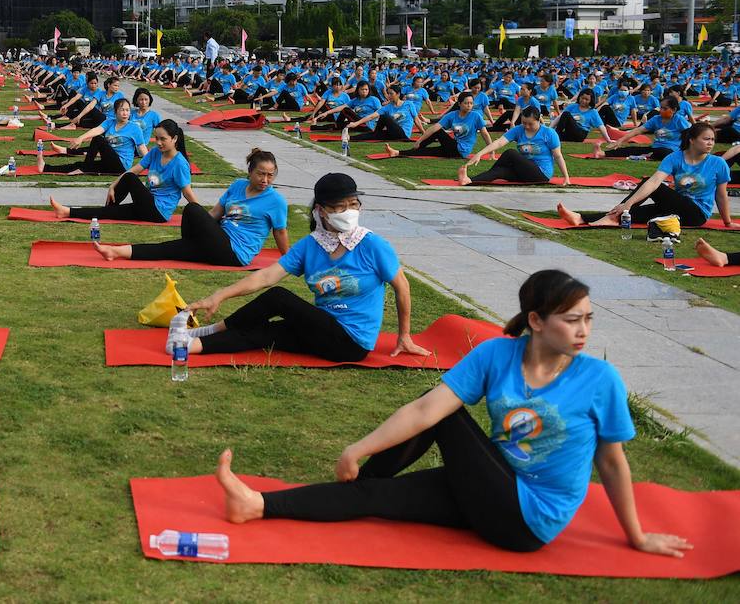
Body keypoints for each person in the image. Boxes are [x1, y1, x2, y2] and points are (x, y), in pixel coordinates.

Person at [213, 269, 692, 558]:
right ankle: (257, 505)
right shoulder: (496, 356)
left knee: (445, 415)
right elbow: (423, 407)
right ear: (536, 322)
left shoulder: (599, 379)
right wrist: (359, 449)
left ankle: (360, 474)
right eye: (572, 320)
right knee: (378, 495)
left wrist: (638, 535)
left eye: (588, 319)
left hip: (529, 520)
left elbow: (611, 461)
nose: (583, 330)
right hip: (489, 487)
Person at [179, 172, 427, 362]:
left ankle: (210, 331)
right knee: (266, 332)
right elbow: (266, 276)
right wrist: (219, 295)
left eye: (353, 205)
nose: (349, 212)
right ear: (321, 210)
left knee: (279, 298)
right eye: (340, 207)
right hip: (321, 328)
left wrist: (404, 335)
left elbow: (402, 287)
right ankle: (192, 345)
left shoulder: (372, 244)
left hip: (352, 342)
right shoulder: (311, 245)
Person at [93, 148, 288, 267]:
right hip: (217, 240)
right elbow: (214, 214)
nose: (265, 180)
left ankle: (190, 242)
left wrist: (287, 261)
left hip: (235, 252)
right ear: (250, 172)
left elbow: (280, 233)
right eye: (261, 174)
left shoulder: (275, 201)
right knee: (166, 249)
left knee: (192, 209)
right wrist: (200, 230)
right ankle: (115, 252)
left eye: (270, 175)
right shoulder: (237, 185)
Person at [556, 121, 735, 230]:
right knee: (635, 213)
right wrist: (628, 205)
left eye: (712, 139)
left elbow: (721, 195)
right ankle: (581, 218)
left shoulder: (717, 163)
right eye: (706, 139)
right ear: (692, 140)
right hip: (675, 208)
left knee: (648, 188)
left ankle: (615, 213)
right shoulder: (675, 157)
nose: (711, 143)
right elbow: (656, 179)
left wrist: (727, 222)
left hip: (696, 214)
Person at [48, 119, 196, 223]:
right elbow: (135, 169)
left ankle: (107, 209)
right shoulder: (155, 153)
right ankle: (66, 212)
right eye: (156, 138)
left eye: (163, 139)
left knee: (130, 178)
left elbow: (187, 193)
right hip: (146, 204)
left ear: (175, 138)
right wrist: (113, 185)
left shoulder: (180, 163)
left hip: (159, 212)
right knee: (109, 211)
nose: (158, 142)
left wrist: (205, 217)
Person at [457, 106, 571, 186]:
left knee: (510, 153)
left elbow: (558, 156)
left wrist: (566, 177)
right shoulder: (518, 130)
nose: (526, 126)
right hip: (523, 171)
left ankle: (475, 178)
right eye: (524, 123)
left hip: (541, 174)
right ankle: (469, 181)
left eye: (530, 124)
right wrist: (480, 154)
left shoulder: (549, 133)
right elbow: (500, 142)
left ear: (539, 120)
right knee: (499, 171)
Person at [35, 97, 147, 176]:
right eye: (122, 110)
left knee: (98, 140)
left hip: (121, 166)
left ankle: (85, 168)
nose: (125, 113)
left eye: (127, 110)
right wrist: (81, 138)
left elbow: (142, 150)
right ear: (115, 111)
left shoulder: (134, 128)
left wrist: (154, 165)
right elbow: (96, 130)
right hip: (108, 161)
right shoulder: (110, 122)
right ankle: (45, 167)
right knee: (78, 164)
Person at [381, 92, 488, 160]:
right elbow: (434, 127)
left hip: (461, 151)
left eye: (471, 103)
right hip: (452, 148)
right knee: (426, 151)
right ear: (459, 104)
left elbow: (485, 134)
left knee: (438, 131)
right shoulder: (452, 115)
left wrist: (491, 151)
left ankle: (416, 146)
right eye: (466, 103)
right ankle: (397, 153)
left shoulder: (475, 116)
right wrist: (420, 140)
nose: (469, 105)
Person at [590, 96, 688, 161]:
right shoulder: (656, 119)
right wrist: (620, 141)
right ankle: (602, 153)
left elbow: (691, 135)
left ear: (674, 109)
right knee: (632, 149)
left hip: (672, 150)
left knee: (663, 153)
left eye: (665, 108)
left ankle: (648, 155)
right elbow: (638, 130)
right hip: (656, 148)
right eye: (661, 108)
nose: (661, 110)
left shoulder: (679, 120)